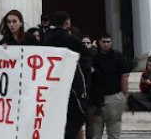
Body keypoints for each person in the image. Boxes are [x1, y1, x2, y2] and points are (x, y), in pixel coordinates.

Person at [44, 11, 89, 139]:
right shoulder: (69, 39)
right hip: (72, 85)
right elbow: (85, 53)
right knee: (77, 118)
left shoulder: (47, 39)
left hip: (53, 85)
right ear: (67, 23)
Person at [88, 34, 130, 139]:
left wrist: (123, 94)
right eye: (104, 41)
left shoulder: (117, 56)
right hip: (97, 98)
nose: (106, 44)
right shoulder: (94, 57)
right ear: (99, 42)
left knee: (114, 131)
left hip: (114, 96)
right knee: (96, 132)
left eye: (108, 42)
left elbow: (124, 76)